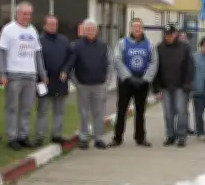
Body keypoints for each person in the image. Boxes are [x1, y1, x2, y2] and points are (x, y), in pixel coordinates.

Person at [0, 1, 47, 150]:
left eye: (29, 14)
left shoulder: (33, 31)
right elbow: (1, 52)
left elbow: (38, 54)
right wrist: (2, 72)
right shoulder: (8, 30)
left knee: (26, 108)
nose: (26, 16)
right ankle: (12, 137)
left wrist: (42, 73)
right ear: (17, 14)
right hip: (13, 74)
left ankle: (23, 135)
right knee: (12, 107)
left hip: (30, 75)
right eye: (24, 13)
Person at [64, 19, 111, 150]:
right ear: (84, 31)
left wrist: (107, 82)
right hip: (83, 86)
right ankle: (83, 138)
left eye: (93, 29)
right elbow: (71, 66)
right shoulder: (76, 45)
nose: (91, 31)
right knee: (83, 113)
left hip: (99, 85)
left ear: (97, 31)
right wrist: (76, 83)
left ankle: (98, 138)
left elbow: (109, 65)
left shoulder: (103, 45)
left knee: (98, 113)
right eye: (88, 29)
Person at [111, 19, 158, 147]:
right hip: (126, 81)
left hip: (142, 81)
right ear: (130, 28)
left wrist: (146, 79)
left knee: (140, 111)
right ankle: (117, 137)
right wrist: (128, 77)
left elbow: (154, 62)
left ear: (142, 28)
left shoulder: (149, 44)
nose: (137, 29)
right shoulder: (122, 43)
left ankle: (140, 137)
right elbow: (117, 60)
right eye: (134, 27)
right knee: (122, 110)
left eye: (139, 27)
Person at [154, 25, 194, 147]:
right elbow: (155, 67)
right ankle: (170, 135)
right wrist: (156, 87)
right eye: (167, 34)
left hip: (181, 86)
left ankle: (181, 136)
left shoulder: (185, 47)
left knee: (181, 111)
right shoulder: (159, 48)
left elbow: (190, 67)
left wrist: (188, 82)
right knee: (168, 113)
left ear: (176, 34)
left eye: (171, 34)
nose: (169, 36)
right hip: (165, 86)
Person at [36, 15, 71, 145]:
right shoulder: (38, 40)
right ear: (44, 25)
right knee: (42, 110)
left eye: (55, 24)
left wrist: (66, 71)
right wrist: (41, 75)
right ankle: (40, 136)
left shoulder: (64, 40)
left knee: (59, 111)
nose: (53, 27)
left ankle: (57, 134)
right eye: (50, 24)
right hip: (43, 81)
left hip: (60, 81)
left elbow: (70, 58)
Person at [178, 30, 195, 135]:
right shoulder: (173, 50)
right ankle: (176, 128)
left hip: (186, 84)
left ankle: (185, 127)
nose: (183, 38)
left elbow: (192, 68)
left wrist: (189, 82)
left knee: (184, 108)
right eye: (181, 36)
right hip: (174, 84)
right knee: (176, 109)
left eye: (185, 37)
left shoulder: (189, 52)